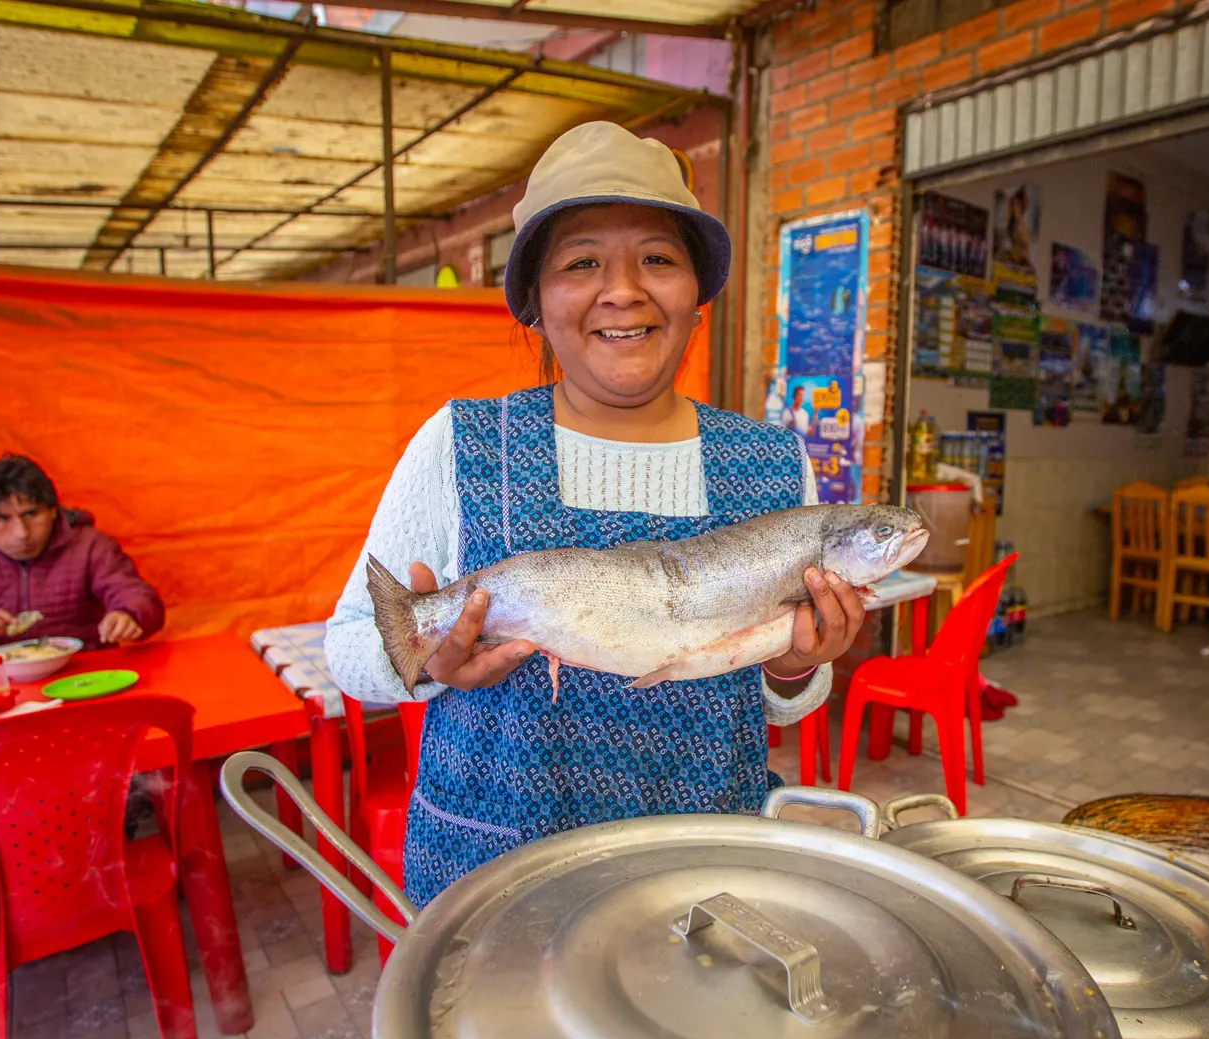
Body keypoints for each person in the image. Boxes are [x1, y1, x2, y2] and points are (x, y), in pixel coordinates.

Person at [325, 121, 863, 907]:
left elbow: (780, 694)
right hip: (503, 876)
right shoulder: (461, 444)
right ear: (536, 305)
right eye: (582, 263)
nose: (624, 290)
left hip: (699, 872)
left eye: (657, 258)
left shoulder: (775, 466)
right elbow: (348, 645)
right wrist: (430, 667)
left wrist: (796, 662)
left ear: (695, 294)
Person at [0, 455, 164, 665]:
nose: (21, 533)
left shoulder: (89, 545)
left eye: (31, 514)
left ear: (53, 510)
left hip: (83, 676)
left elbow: (135, 594)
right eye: (1, 519)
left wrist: (128, 614)